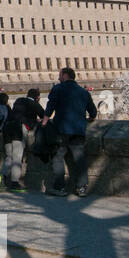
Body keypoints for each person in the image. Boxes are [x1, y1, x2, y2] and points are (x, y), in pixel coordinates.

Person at [42, 67, 98, 196]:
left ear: (65, 75)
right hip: (78, 129)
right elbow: (93, 112)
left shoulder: (58, 89)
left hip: (61, 129)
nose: (58, 78)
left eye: (60, 75)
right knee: (79, 159)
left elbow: (50, 107)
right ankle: (82, 187)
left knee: (57, 157)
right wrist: (91, 118)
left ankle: (59, 187)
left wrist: (45, 121)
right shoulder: (84, 92)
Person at [3, 88, 44, 192]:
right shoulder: (33, 103)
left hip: (8, 128)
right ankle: (14, 183)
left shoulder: (19, 100)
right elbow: (44, 115)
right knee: (17, 156)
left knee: (9, 156)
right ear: (38, 97)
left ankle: (2, 178)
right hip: (19, 128)